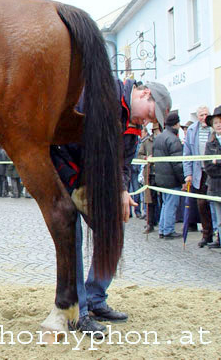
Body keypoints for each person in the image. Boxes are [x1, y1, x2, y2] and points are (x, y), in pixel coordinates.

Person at [51, 80, 171, 337]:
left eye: (152, 120)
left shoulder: (134, 125)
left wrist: (122, 189)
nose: (147, 122)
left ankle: (95, 297)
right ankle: (77, 311)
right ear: (144, 94)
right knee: (72, 234)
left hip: (93, 178)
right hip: (67, 167)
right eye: (150, 114)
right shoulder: (104, 92)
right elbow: (93, 145)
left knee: (113, 229)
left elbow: (125, 163)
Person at [183, 105, 215, 247]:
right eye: (201, 115)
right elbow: (187, 154)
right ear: (197, 116)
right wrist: (188, 173)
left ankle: (217, 234)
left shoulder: (214, 128)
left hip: (214, 171)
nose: (204, 117)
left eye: (206, 114)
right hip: (199, 172)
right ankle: (206, 234)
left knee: (215, 204)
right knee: (202, 205)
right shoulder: (192, 130)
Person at [153, 112, 184, 239]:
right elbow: (177, 163)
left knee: (166, 204)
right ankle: (168, 230)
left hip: (161, 177)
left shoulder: (159, 137)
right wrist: (182, 179)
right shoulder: (173, 139)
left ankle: (162, 228)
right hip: (171, 179)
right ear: (176, 124)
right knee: (171, 204)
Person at [204, 106, 221, 249]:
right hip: (216, 187)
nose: (219, 125)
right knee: (219, 218)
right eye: (216, 123)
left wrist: (218, 162)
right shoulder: (210, 144)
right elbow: (209, 167)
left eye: (220, 122)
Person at [137, 126, 158, 233]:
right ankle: (150, 223)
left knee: (163, 200)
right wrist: (146, 158)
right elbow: (139, 155)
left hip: (162, 173)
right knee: (150, 199)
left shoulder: (162, 141)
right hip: (150, 173)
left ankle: (159, 222)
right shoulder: (146, 142)